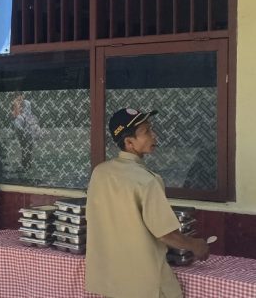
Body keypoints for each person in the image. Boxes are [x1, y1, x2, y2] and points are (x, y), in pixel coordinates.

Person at [85, 108, 209, 298]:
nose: (154, 135)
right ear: (129, 143)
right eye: (146, 131)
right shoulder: (147, 180)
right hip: (145, 283)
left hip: (112, 281)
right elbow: (166, 234)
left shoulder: (100, 173)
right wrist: (195, 245)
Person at [11, 94, 40, 170]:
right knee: (27, 149)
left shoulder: (23, 114)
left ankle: (25, 165)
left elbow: (18, 125)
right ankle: (27, 165)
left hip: (26, 133)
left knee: (26, 149)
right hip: (26, 133)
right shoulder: (24, 115)